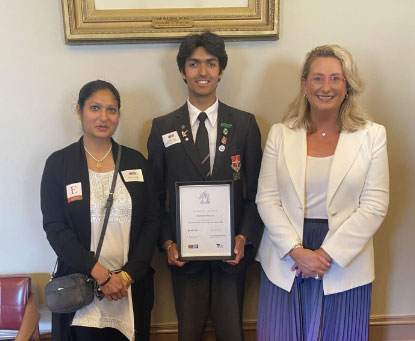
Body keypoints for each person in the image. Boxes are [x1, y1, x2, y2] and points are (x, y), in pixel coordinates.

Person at [255, 45, 389, 340]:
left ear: (347, 85)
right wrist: (297, 252)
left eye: (335, 79)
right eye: (317, 78)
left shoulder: (372, 135)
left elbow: (375, 205)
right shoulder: (281, 133)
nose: (325, 87)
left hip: (344, 259)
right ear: (304, 84)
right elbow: (266, 198)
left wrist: (326, 255)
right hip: (287, 258)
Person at [147, 32, 263, 341]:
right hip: (184, 257)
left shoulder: (245, 124)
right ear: (182, 71)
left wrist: (244, 237)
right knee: (188, 333)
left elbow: (256, 194)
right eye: (194, 64)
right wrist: (168, 244)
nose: (202, 72)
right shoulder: (163, 128)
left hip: (232, 255)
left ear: (221, 70)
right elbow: (154, 198)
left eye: (210, 64)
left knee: (232, 333)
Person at [41, 80, 159, 341]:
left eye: (112, 110)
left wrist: (126, 276)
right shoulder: (59, 164)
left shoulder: (135, 161)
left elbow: (152, 221)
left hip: (130, 290)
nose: (103, 117)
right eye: (95, 108)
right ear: (79, 110)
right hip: (81, 290)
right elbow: (55, 228)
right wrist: (102, 276)